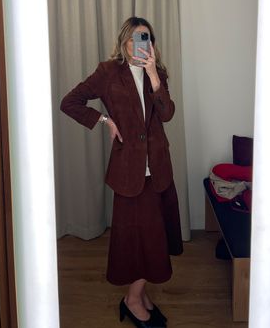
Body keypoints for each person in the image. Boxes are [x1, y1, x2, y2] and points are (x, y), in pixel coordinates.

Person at [60, 17, 183, 328]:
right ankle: (132, 299)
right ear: (124, 41)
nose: (143, 45)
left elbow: (166, 114)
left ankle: (138, 295)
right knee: (134, 238)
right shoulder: (108, 72)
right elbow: (69, 102)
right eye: (136, 39)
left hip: (157, 169)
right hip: (128, 170)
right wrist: (104, 121)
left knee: (153, 237)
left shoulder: (159, 73)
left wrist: (154, 73)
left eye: (148, 39)